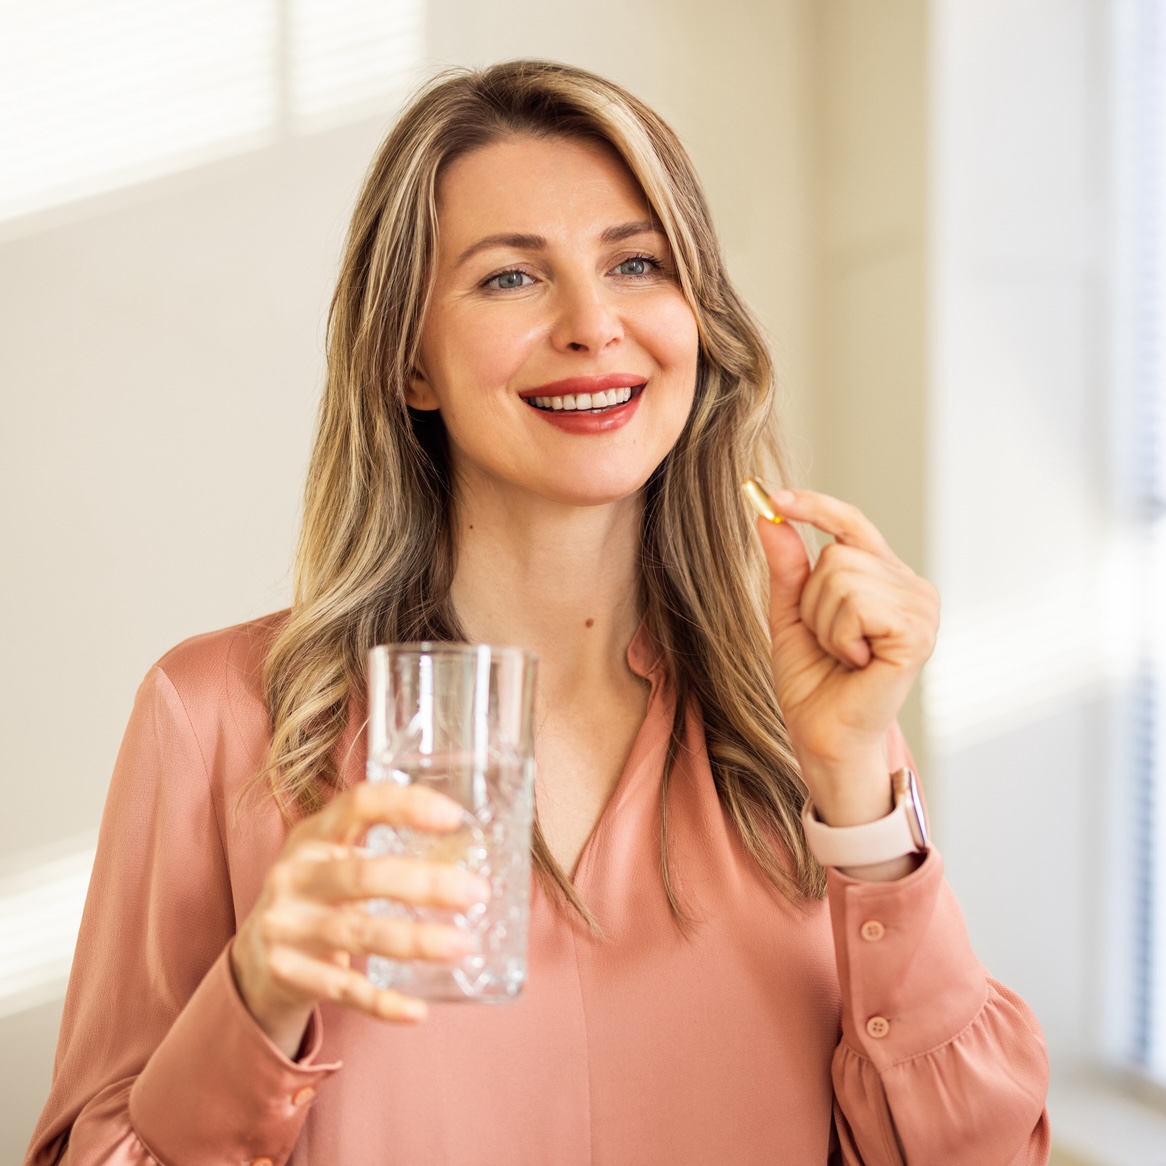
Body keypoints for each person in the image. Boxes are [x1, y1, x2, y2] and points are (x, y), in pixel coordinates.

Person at [26, 60, 1050, 1166]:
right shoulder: (215, 717)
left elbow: (976, 1152)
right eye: (511, 278)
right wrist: (256, 993)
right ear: (409, 360)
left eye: (636, 264)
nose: (591, 324)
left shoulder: (805, 716)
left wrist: (856, 782)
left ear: (693, 320)